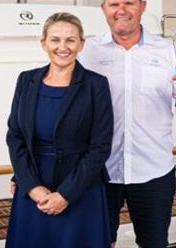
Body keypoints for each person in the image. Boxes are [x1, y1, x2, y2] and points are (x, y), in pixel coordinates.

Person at [79, 0, 176, 248]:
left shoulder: (167, 50)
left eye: (128, 3)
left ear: (142, 6)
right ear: (103, 8)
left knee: (154, 244)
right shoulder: (88, 52)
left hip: (153, 171)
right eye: (114, 4)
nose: (121, 10)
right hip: (101, 171)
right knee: (97, 242)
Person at [6, 12, 113, 247]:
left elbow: (100, 146)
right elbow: (15, 136)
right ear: (43, 43)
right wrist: (31, 186)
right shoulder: (26, 80)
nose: (62, 47)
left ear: (81, 44)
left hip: (80, 189)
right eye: (55, 40)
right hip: (33, 187)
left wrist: (65, 195)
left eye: (70, 40)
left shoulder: (96, 85)